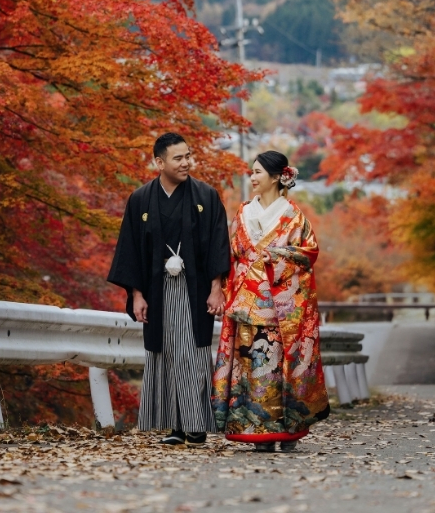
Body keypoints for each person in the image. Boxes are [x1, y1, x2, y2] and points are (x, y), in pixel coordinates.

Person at [107, 133, 231, 445]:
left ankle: (197, 425)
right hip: (157, 287)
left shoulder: (206, 196)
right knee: (163, 354)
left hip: (194, 287)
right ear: (159, 162)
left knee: (192, 352)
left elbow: (219, 243)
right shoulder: (140, 199)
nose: (186, 162)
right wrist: (136, 294)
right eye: (178, 158)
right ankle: (174, 426)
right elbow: (131, 250)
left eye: (188, 155)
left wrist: (216, 287)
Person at [212, 150, 330, 452]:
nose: (252, 178)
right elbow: (232, 255)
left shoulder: (293, 216)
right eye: (251, 172)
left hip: (279, 307)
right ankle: (255, 429)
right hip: (246, 303)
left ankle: (287, 428)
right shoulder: (243, 213)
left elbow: (308, 253)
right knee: (251, 368)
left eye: (258, 173)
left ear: (277, 177)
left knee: (278, 369)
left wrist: (276, 257)